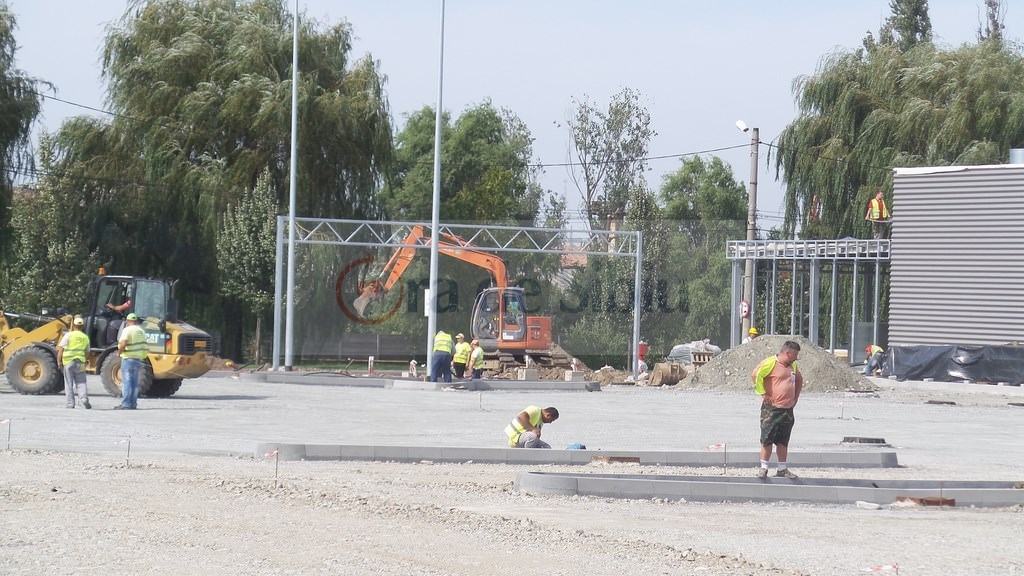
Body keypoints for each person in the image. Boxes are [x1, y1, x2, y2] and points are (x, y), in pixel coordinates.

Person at [751, 340, 804, 479]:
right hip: (772, 409)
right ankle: (764, 468)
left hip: (787, 410)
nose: (797, 357)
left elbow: (799, 379)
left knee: (783, 441)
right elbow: (756, 375)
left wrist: (796, 397)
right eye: (795, 355)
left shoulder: (792, 365)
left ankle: (782, 468)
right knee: (767, 439)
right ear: (787, 353)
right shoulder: (770, 363)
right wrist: (763, 393)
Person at [57, 316, 91, 409]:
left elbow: (61, 349)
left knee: (68, 383)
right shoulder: (85, 337)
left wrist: (59, 362)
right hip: (81, 362)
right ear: (82, 326)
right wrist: (85, 360)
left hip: (69, 362)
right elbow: (88, 351)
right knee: (82, 382)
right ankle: (83, 399)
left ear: (74, 325)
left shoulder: (68, 335)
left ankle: (70, 403)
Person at [115, 313, 148, 410]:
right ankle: (133, 403)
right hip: (138, 359)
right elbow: (144, 346)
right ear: (136, 321)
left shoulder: (127, 330)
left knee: (127, 381)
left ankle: (126, 403)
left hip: (128, 358)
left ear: (127, 321)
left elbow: (124, 342)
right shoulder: (141, 331)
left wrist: (119, 352)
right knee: (134, 382)